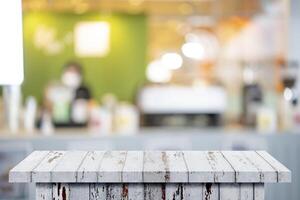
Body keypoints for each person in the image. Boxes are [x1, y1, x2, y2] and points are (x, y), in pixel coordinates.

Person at [42, 61, 91, 127]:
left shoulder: (84, 90)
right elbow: (45, 108)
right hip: (58, 126)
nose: (72, 75)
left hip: (79, 127)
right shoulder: (56, 88)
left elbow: (91, 107)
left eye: (75, 72)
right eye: (70, 71)